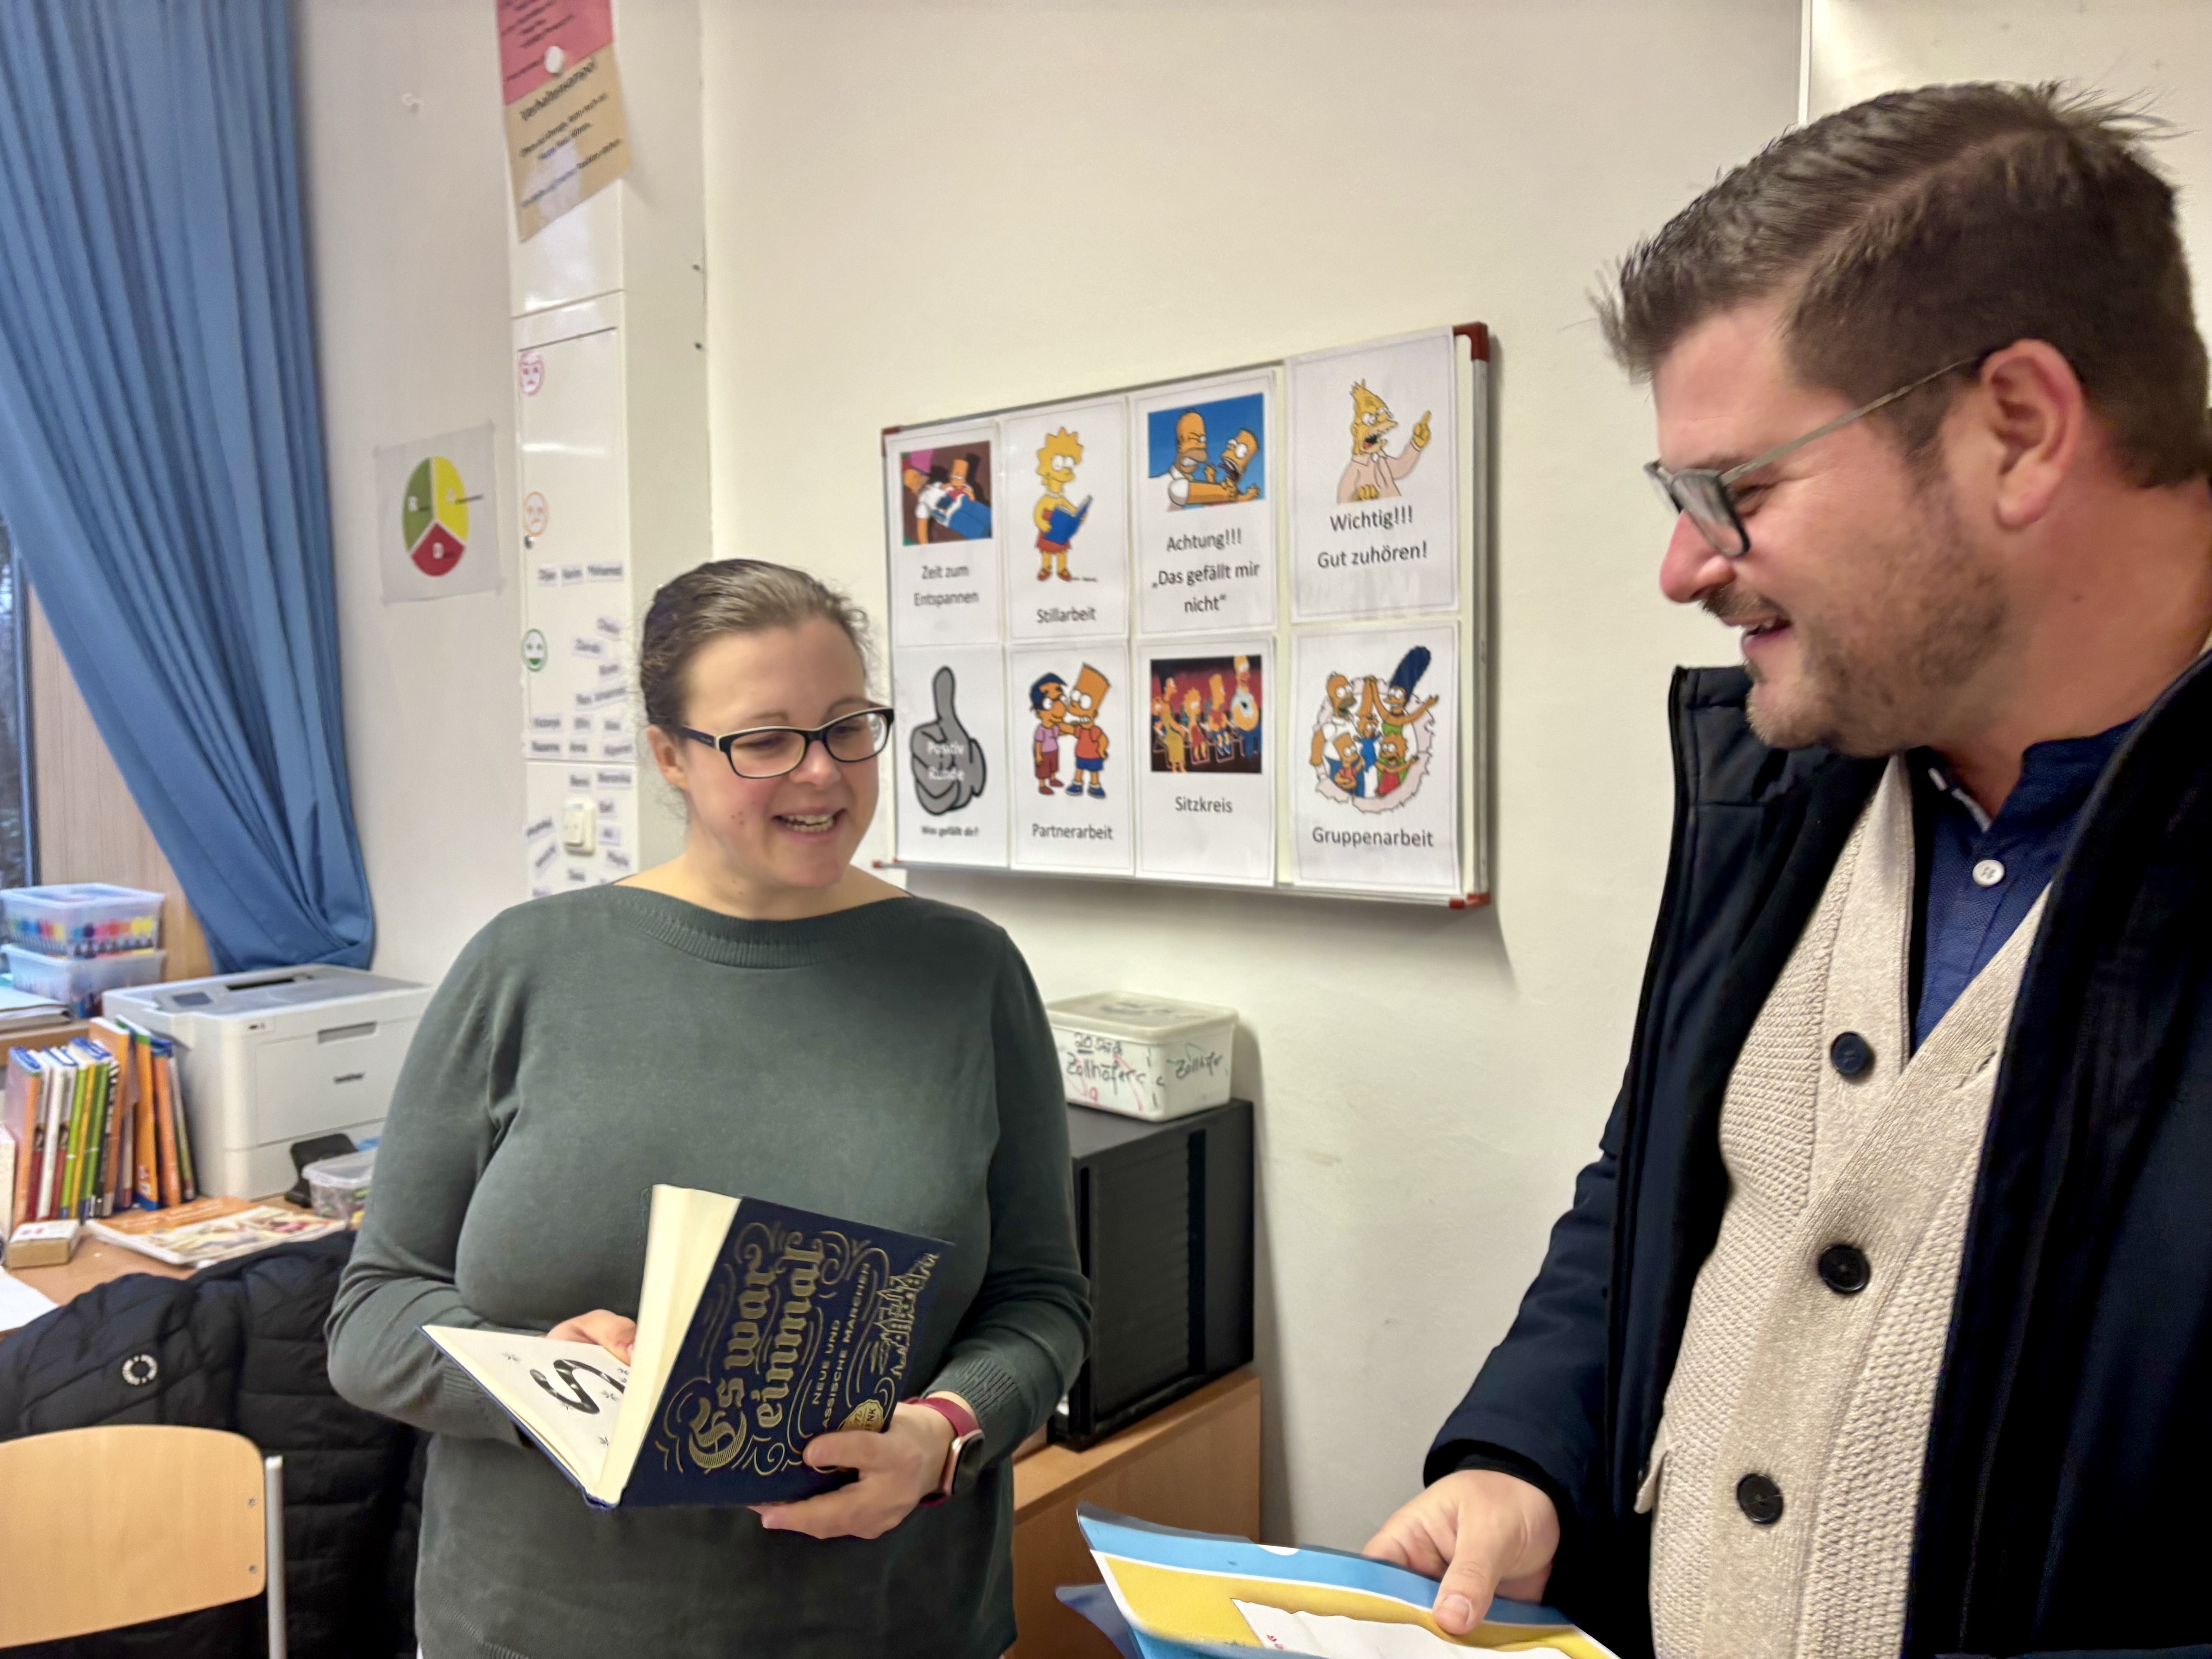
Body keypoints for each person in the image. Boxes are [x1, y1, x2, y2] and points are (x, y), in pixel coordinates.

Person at [1365, 84, 2212, 1658]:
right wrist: (1528, 1456)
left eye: (1736, 491)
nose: (1683, 566)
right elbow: (1667, 1180)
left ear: (2019, 428)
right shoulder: (1788, 792)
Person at [328, 559, 1089, 1659]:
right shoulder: (524, 969)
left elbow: (1042, 1303)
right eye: (764, 740)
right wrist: (548, 1381)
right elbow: (371, 1318)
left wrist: (944, 1434)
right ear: (670, 756)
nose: (822, 772)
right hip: (536, 1629)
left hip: (883, 1624)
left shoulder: (968, 974)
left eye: (848, 726)